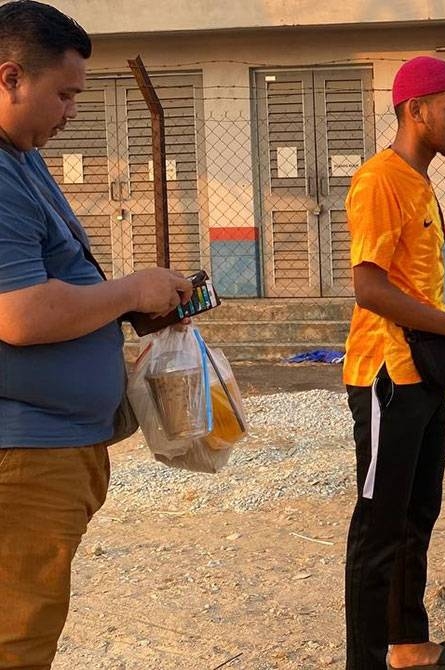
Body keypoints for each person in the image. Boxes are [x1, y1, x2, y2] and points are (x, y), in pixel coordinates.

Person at [0, 2, 194, 668]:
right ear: (9, 78)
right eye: (64, 94)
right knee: (15, 638)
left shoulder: (19, 158)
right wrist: (131, 291)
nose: (71, 111)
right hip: (21, 454)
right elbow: (19, 314)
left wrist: (127, 311)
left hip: (46, 447)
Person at [342, 56, 445, 670]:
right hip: (386, 377)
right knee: (378, 529)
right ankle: (364, 662)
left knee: (417, 516)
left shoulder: (418, 180)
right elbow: (370, 288)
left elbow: (418, 287)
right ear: (415, 110)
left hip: (421, 377)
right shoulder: (378, 180)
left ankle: (409, 646)